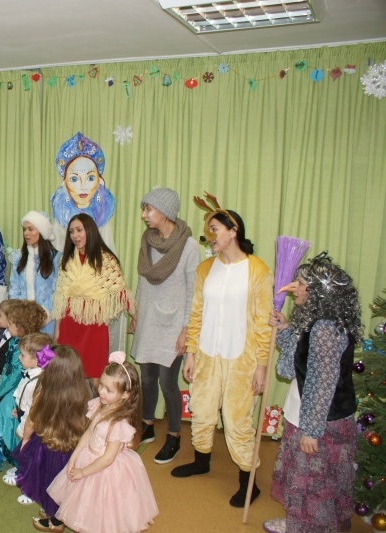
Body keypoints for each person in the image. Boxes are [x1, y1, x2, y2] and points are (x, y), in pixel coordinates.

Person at [171, 195, 273, 509]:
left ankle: (248, 482)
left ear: (233, 230)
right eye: (208, 230)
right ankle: (201, 461)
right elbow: (196, 315)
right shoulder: (205, 269)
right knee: (201, 410)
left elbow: (263, 322)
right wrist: (190, 354)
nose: (209, 236)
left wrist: (262, 365)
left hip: (242, 357)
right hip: (206, 354)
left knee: (236, 419)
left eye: (214, 229)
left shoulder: (257, 270)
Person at [263, 253, 361, 533]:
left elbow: (323, 382)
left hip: (321, 421)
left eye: (301, 284)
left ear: (317, 291)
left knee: (314, 484)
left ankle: (306, 528)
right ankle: (303, 523)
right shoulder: (316, 320)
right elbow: (294, 366)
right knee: (309, 480)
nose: (294, 288)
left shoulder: (325, 328)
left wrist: (312, 430)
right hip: (307, 412)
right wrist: (285, 328)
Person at [47, 351, 159, 533]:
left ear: (125, 395)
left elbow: (108, 458)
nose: (101, 392)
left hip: (105, 469)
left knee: (103, 512)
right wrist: (74, 457)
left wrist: (83, 471)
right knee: (83, 503)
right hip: (89, 457)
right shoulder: (101, 404)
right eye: (101, 385)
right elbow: (89, 432)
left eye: (109, 390)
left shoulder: (119, 422)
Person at [129, 187, 200, 464]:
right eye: (144, 210)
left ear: (166, 211)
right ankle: (147, 425)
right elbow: (142, 279)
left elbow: (193, 292)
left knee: (167, 382)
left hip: (173, 324)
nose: (144, 215)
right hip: (148, 319)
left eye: (149, 209)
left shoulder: (188, 246)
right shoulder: (147, 240)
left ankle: (174, 436)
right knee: (147, 378)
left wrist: (186, 330)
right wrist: (136, 312)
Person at [11, 344, 91, 532]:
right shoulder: (81, 394)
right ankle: (58, 512)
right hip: (71, 449)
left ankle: (55, 521)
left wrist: (25, 441)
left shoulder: (44, 393)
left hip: (46, 447)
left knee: (47, 482)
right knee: (62, 484)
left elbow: (31, 421)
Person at [52, 213, 134, 391]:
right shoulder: (67, 260)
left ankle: (99, 409)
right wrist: (57, 329)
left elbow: (120, 291)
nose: (75, 235)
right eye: (71, 231)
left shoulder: (106, 260)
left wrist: (135, 317)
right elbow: (61, 297)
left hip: (94, 326)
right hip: (69, 324)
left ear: (90, 231)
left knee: (96, 381)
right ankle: (75, 409)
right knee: (68, 377)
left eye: (79, 230)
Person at [0, 300, 48, 473]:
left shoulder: (23, 347)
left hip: (16, 391)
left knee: (9, 423)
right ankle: (14, 458)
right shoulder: (16, 341)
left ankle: (18, 461)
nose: (8, 326)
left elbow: (16, 375)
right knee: (6, 422)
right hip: (11, 387)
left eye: (11, 324)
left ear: (21, 327)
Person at [50, 132, 117, 253]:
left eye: (90, 178)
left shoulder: (101, 216)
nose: (82, 187)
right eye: (74, 179)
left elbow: (107, 255)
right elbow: (57, 254)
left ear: (99, 181)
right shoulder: (62, 217)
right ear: (65, 184)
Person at [7, 333, 54, 506]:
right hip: (24, 415)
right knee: (25, 453)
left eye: (22, 355)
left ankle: (30, 488)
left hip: (32, 424)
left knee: (32, 457)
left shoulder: (37, 382)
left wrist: (22, 431)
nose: (19, 358)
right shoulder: (30, 373)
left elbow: (32, 412)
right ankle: (22, 472)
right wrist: (18, 407)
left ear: (35, 360)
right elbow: (24, 397)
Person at [8, 211, 60, 336]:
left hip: (47, 321)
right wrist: (21, 315)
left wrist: (41, 316)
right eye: (24, 229)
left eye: (31, 229)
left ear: (42, 231)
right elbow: (14, 288)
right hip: (22, 322)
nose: (26, 233)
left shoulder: (56, 258)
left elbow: (57, 292)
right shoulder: (19, 257)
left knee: (44, 348)